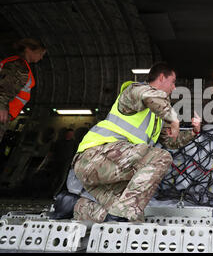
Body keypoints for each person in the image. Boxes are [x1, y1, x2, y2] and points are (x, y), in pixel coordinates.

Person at [50, 62, 202, 222]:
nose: (174, 87)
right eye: (173, 82)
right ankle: (122, 213)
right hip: (94, 157)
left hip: (112, 169)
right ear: (162, 77)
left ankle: (72, 205)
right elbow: (149, 95)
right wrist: (174, 120)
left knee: (128, 217)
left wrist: (193, 132)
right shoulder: (134, 91)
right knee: (161, 158)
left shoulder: (155, 118)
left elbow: (171, 142)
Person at [0, 38, 46, 143]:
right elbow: (6, 87)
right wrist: (1, 106)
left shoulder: (14, 62)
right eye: (40, 53)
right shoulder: (19, 66)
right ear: (29, 50)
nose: (41, 57)